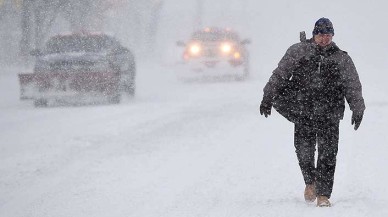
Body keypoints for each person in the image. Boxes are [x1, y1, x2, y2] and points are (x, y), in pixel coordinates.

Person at [259, 17, 365, 207]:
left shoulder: (341, 58)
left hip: (330, 113)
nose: (324, 39)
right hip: (303, 111)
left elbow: (352, 85)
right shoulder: (298, 52)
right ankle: (310, 182)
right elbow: (280, 75)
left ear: (332, 35)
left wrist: (358, 107)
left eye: (328, 35)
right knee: (304, 152)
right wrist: (268, 97)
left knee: (328, 154)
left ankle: (323, 195)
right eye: (321, 34)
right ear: (314, 34)